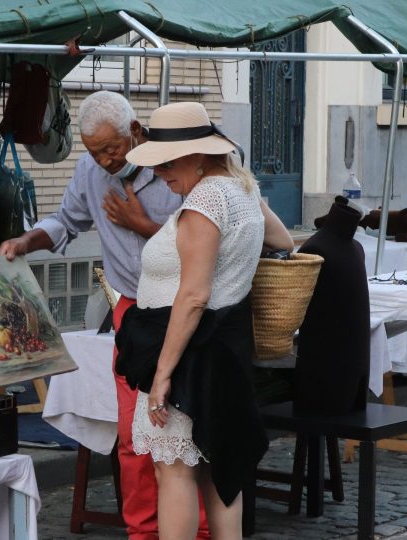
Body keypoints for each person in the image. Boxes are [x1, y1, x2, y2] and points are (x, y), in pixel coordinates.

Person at [0, 91, 212, 539]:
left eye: (111, 149)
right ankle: (142, 532)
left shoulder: (174, 169)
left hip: (184, 309)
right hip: (131, 311)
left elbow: (204, 245)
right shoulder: (90, 172)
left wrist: (142, 226)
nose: (105, 161)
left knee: (186, 434)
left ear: (135, 131)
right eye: (95, 153)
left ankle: (199, 532)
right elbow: (65, 222)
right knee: (133, 436)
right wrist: (26, 242)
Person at [116, 102, 293, 539]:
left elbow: (193, 295)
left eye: (168, 162)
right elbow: (282, 239)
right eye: (156, 163)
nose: (161, 173)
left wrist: (162, 375)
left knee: (174, 470)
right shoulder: (240, 189)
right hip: (222, 351)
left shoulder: (207, 198)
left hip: (189, 352)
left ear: (199, 154)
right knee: (220, 471)